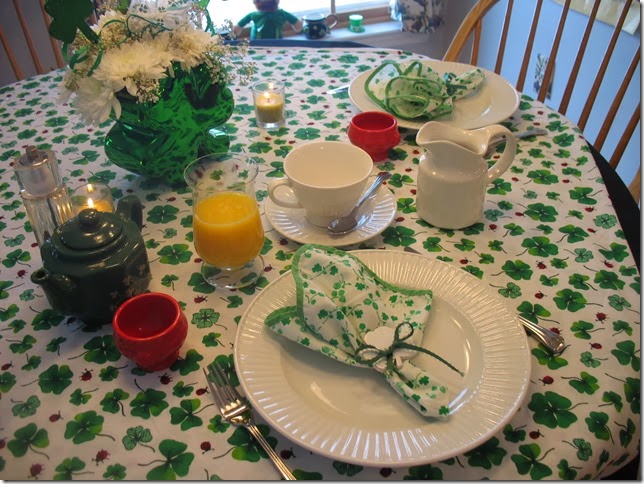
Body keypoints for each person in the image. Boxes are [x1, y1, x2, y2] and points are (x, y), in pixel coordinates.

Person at [234, 0, 301, 40]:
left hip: (256, 44)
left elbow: (236, 29)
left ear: (256, 3)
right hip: (277, 43)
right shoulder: (282, 14)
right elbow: (298, 25)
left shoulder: (253, 15)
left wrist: (234, 34)